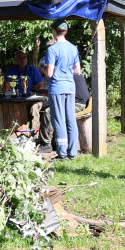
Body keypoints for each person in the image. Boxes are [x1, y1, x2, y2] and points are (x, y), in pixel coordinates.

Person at [42, 21, 81, 160]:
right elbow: (77, 71)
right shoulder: (73, 48)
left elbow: (50, 73)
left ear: (54, 30)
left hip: (57, 87)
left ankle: (62, 153)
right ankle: (73, 152)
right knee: (71, 119)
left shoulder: (52, 49)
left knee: (58, 119)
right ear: (66, 31)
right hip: (70, 87)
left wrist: (42, 68)